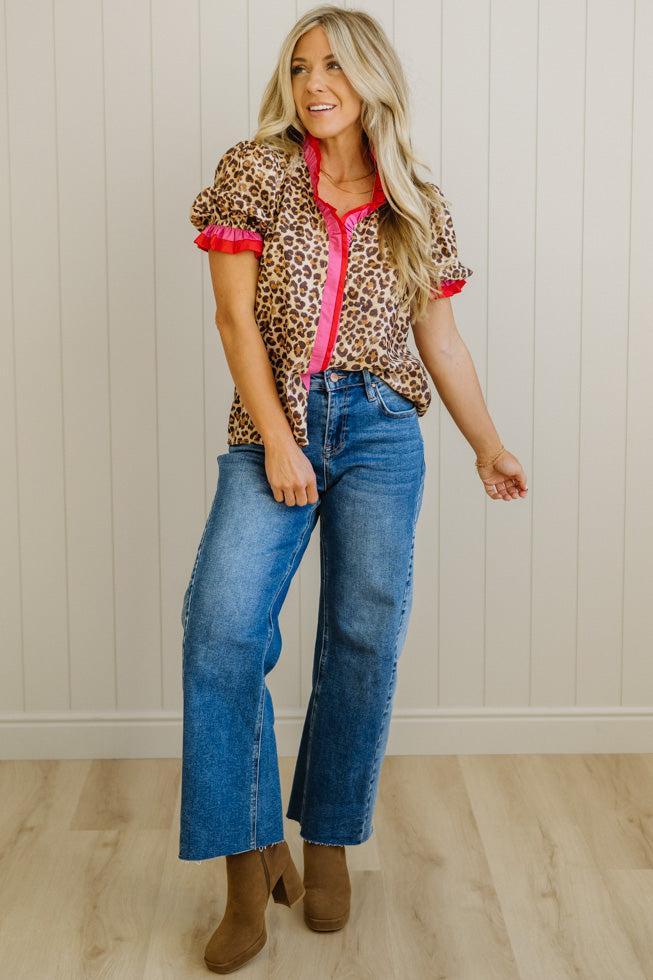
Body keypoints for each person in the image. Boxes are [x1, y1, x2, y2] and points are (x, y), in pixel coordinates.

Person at [179, 5, 528, 974]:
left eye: (332, 64)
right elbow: (233, 322)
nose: (313, 82)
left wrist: (484, 444)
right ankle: (248, 862)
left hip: (379, 429)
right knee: (221, 627)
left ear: (373, 76)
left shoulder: (415, 197)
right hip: (272, 426)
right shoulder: (252, 172)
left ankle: (325, 834)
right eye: (298, 67)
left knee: (362, 633)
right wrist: (283, 440)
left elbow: (440, 339)